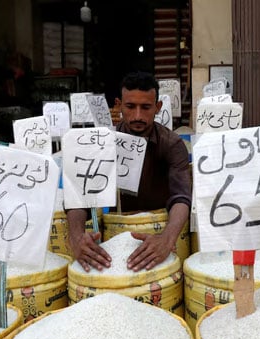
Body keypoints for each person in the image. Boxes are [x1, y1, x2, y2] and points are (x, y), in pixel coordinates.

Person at [67, 71, 191, 273]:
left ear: (158, 107)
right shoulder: (101, 143)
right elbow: (79, 197)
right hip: (115, 241)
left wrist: (167, 239)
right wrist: (76, 236)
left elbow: (181, 197)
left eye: (146, 107)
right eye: (130, 107)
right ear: (118, 105)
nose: (138, 116)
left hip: (158, 237)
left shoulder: (172, 144)